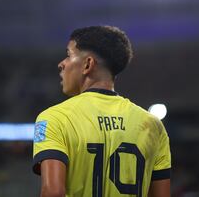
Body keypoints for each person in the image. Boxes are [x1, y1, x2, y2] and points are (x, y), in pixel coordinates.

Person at [32, 25, 171, 197]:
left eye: (68, 55)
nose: (62, 63)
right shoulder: (152, 125)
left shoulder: (54, 118)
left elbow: (53, 192)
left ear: (87, 64)